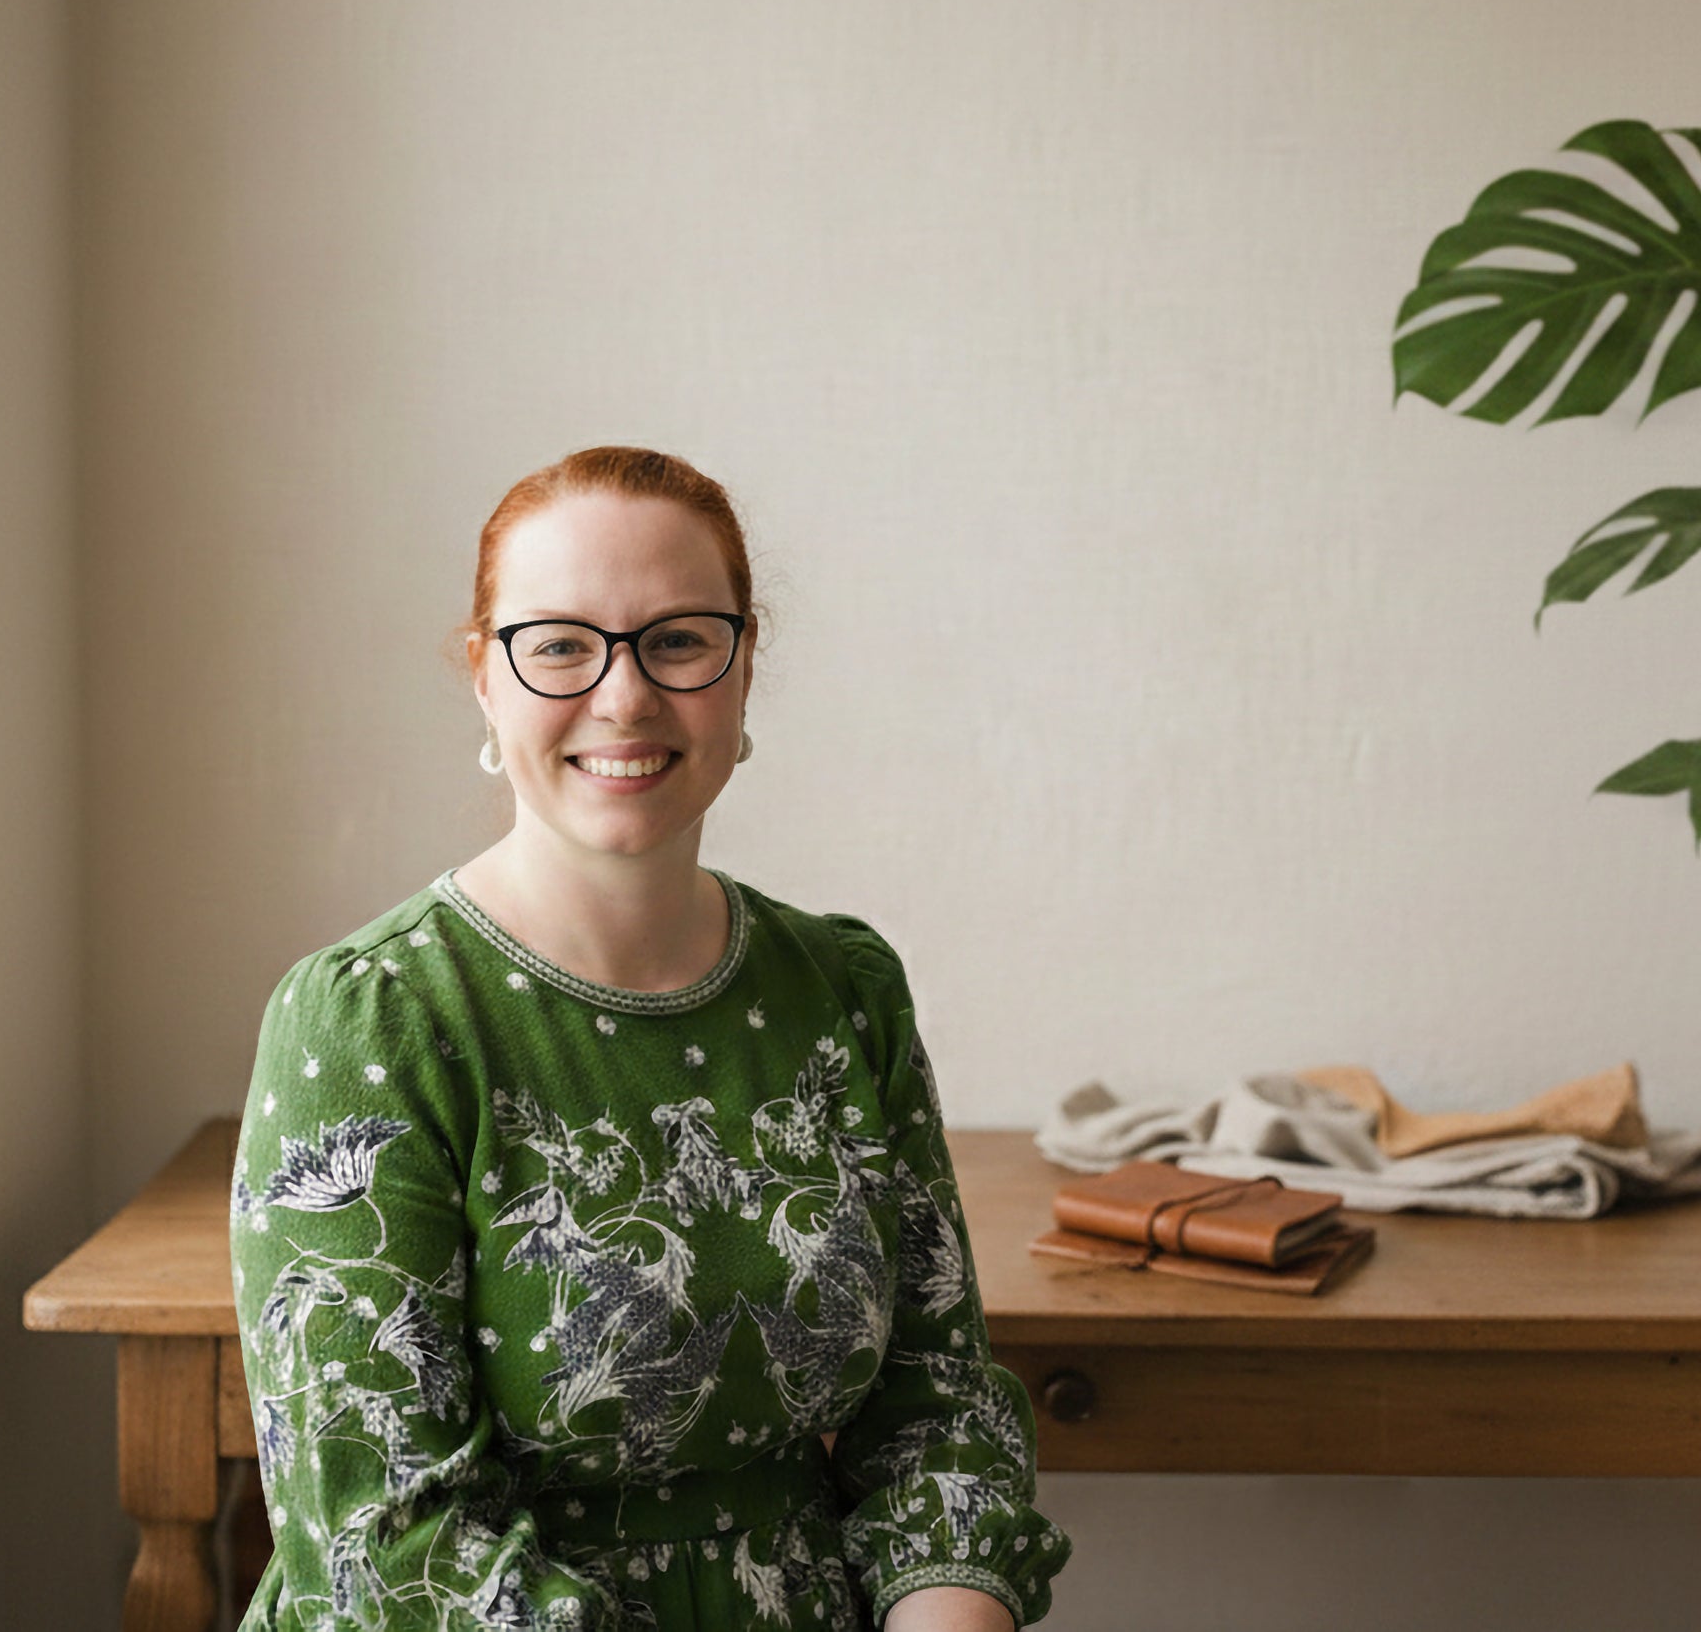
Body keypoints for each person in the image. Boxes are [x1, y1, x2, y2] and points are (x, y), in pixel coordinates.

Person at [227, 446, 1070, 1630]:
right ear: (484, 675)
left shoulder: (845, 986)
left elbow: (934, 1410)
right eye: (561, 643)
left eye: (676, 638)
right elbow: (383, 1544)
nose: (623, 696)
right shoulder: (374, 1018)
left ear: (742, 668)